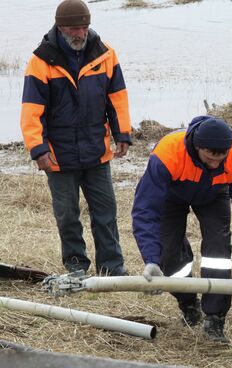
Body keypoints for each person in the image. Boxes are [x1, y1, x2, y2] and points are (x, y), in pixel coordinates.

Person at [132, 116, 232, 344]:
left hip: (214, 193)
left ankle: (215, 318)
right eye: (210, 158)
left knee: (218, 253)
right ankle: (188, 303)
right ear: (197, 147)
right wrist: (151, 259)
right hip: (172, 195)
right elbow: (145, 209)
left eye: (220, 159)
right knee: (169, 255)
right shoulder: (168, 153)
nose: (215, 164)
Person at [20, 0, 131, 276]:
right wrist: (38, 149)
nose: (80, 34)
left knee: (105, 214)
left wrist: (122, 134)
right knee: (68, 217)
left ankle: (113, 269)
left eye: (84, 27)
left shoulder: (106, 54)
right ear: (60, 27)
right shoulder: (40, 61)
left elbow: (117, 99)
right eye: (74, 28)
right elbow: (32, 112)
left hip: (97, 152)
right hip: (59, 156)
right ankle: (76, 267)